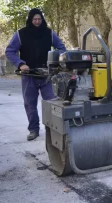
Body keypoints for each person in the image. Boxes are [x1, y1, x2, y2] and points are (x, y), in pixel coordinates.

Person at [5, 8, 67, 141]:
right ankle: (33, 130)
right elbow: (10, 51)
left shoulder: (49, 33)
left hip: (47, 75)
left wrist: (55, 62)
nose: (37, 21)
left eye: (39, 19)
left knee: (53, 103)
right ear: (30, 19)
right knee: (29, 103)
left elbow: (62, 48)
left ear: (42, 19)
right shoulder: (20, 34)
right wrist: (21, 64)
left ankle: (53, 129)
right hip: (29, 75)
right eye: (34, 19)